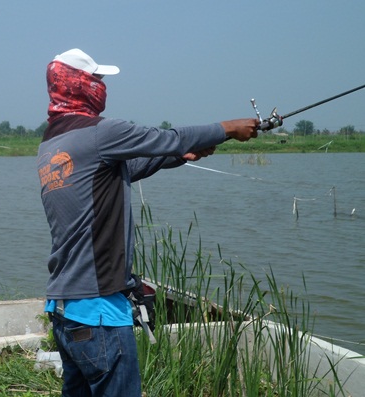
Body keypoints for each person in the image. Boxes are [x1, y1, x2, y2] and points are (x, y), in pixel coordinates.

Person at [36, 48, 259, 397]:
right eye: (96, 79)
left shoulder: (52, 144)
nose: (101, 86)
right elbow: (166, 137)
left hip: (64, 309)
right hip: (99, 312)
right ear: (79, 85)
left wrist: (178, 157)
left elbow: (131, 166)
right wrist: (228, 128)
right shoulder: (98, 133)